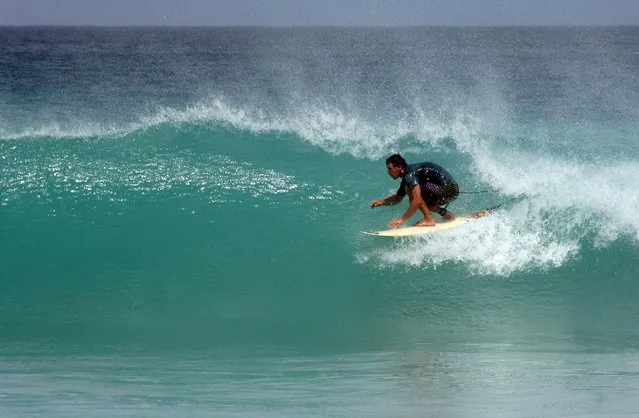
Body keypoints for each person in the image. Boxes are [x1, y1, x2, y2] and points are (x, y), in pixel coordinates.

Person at [370, 154, 459, 228]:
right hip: (451, 190)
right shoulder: (407, 177)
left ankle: (429, 218)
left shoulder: (409, 175)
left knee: (412, 192)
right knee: (424, 203)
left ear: (399, 167)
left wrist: (402, 219)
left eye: (390, 168)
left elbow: (416, 200)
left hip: (448, 188)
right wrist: (382, 202)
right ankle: (449, 216)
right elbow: (397, 198)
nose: (388, 172)